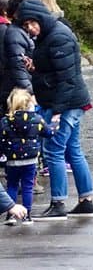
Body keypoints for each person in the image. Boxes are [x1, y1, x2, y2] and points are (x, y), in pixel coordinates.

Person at [16, 0, 93, 220]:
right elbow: (55, 70)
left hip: (64, 104)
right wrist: (35, 67)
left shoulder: (57, 37)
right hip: (69, 101)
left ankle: (58, 202)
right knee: (73, 150)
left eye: (32, 22)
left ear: (40, 17)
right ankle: (86, 200)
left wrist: (58, 111)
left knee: (53, 150)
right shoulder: (49, 35)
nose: (30, 28)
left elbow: (67, 78)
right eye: (26, 25)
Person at [2, 87, 56, 224]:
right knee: (27, 186)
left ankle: (11, 213)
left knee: (12, 185)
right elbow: (49, 133)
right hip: (30, 160)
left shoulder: (5, 121)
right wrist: (55, 124)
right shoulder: (37, 119)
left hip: (12, 160)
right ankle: (27, 215)